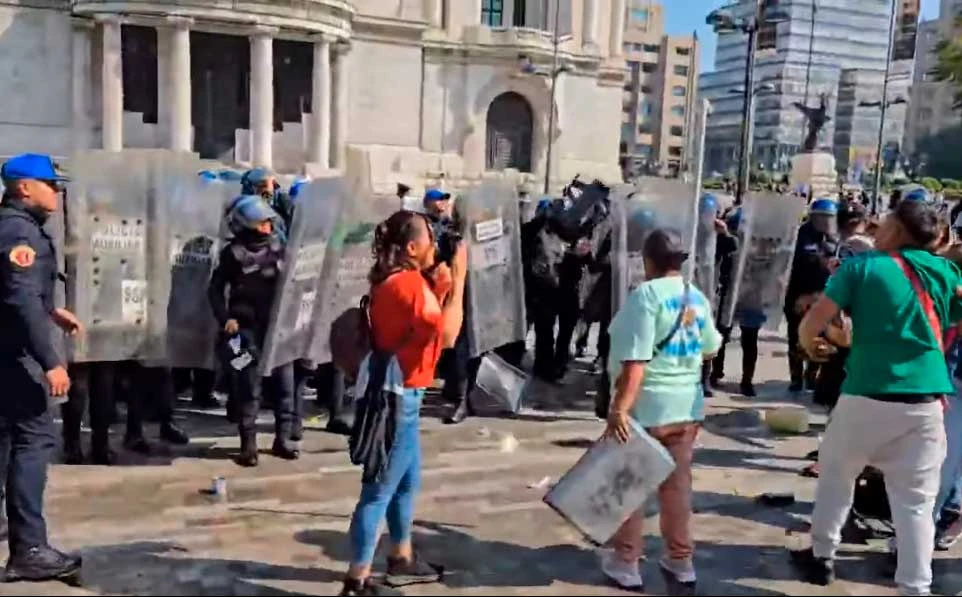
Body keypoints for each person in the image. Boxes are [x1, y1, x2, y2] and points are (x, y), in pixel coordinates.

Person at [791, 199, 962, 596]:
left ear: (898, 229)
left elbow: (813, 322)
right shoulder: (944, 272)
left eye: (884, 222)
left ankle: (822, 556)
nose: (877, 227)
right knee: (916, 504)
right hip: (925, 403)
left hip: (865, 396)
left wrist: (809, 344)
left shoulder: (861, 268)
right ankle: (915, 587)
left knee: (837, 476)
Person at [340, 210, 467, 596]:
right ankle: (356, 580)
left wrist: (440, 290)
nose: (436, 243)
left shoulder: (405, 280)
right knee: (378, 491)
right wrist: (458, 282)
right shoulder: (409, 285)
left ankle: (401, 558)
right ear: (412, 248)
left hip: (405, 393)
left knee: (406, 483)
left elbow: (420, 331)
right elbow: (445, 336)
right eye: (430, 237)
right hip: (396, 401)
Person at [600, 228, 723, 594]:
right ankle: (681, 560)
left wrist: (619, 410)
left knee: (631, 487)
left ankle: (626, 562)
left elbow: (635, 361)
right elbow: (711, 347)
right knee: (677, 489)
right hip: (685, 409)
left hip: (647, 408)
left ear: (647, 261)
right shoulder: (696, 296)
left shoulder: (646, 296)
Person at [0, 153, 82, 580]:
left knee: (7, 441)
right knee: (35, 440)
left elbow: (25, 295)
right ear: (24, 187)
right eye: (51, 184)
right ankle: (29, 547)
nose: (57, 191)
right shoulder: (18, 231)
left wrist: (54, 310)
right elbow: (18, 299)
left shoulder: (15, 226)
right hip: (13, 356)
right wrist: (50, 361)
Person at [208, 195, 299, 467]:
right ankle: (248, 446)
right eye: (262, 222)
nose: (268, 226)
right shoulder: (232, 253)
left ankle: (283, 440)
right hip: (243, 332)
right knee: (248, 388)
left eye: (269, 222)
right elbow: (214, 290)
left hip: (278, 329)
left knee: (285, 386)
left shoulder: (280, 246)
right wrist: (225, 319)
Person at [784, 198, 839, 393]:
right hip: (798, 294)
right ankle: (796, 377)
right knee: (796, 337)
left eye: (829, 218)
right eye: (822, 217)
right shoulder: (800, 236)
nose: (826, 222)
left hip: (824, 296)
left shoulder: (836, 239)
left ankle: (812, 375)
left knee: (821, 337)